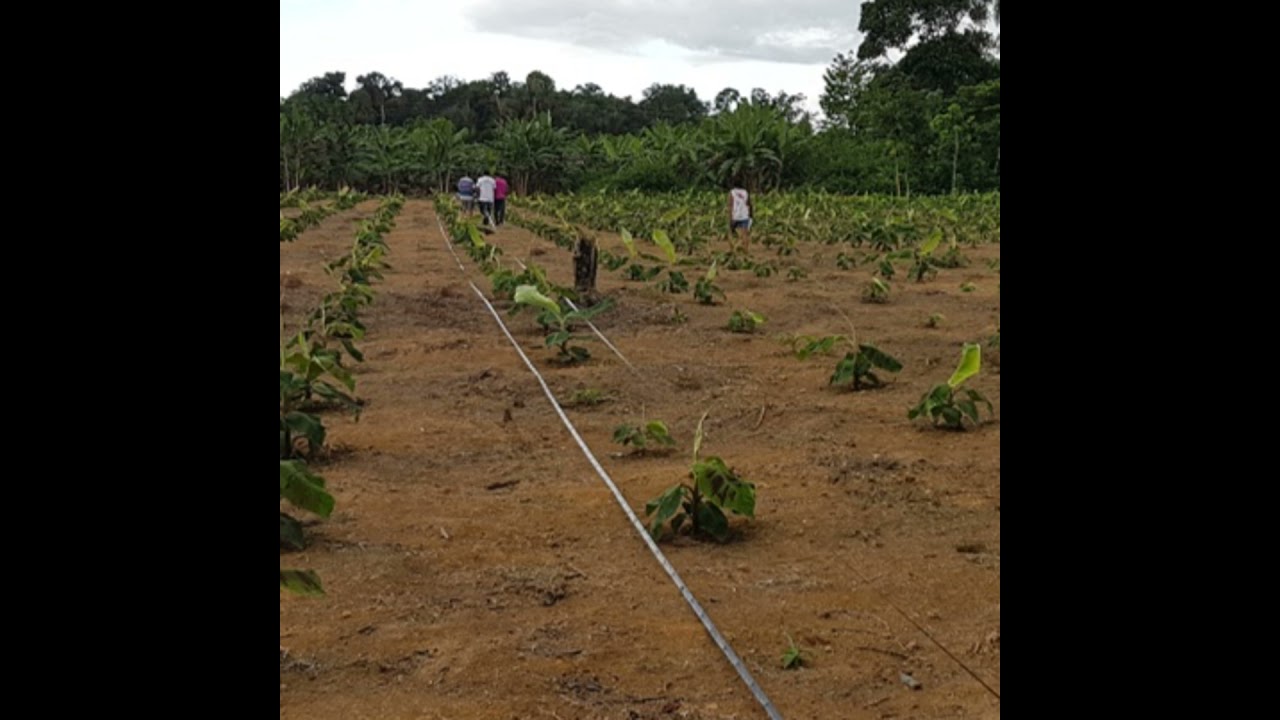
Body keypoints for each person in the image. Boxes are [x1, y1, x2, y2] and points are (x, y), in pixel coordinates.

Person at [727, 181, 753, 250]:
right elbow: (749, 204)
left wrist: (730, 217)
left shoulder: (732, 192)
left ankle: (732, 248)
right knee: (745, 234)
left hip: (735, 215)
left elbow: (730, 205)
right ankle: (745, 249)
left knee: (731, 232)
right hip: (744, 215)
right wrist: (751, 214)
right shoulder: (745, 192)